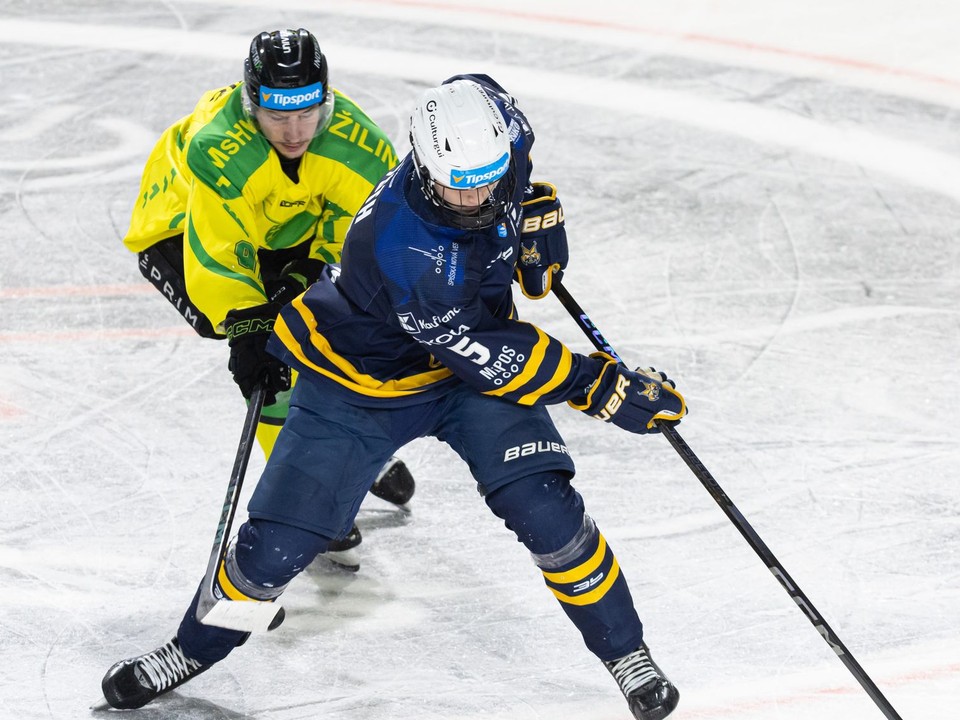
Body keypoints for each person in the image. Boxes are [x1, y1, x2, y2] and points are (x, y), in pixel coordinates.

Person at [101, 75, 687, 719]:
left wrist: (533, 215)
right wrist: (599, 385)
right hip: (362, 384)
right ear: (424, 163)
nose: (475, 197)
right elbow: (490, 354)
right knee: (273, 552)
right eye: (457, 186)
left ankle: (627, 653)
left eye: (489, 180)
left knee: (547, 510)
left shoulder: (500, 139)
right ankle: (190, 648)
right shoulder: (403, 243)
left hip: (465, 377)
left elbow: (511, 180)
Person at [122, 28, 416, 569]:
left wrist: (311, 269)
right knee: (270, 354)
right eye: (277, 115)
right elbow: (217, 253)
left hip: (284, 224)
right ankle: (304, 492)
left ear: (325, 99)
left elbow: (362, 230)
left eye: (307, 113)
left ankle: (344, 449)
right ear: (250, 101)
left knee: (331, 320)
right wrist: (247, 326)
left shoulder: (361, 145)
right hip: (182, 227)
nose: (294, 130)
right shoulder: (219, 148)